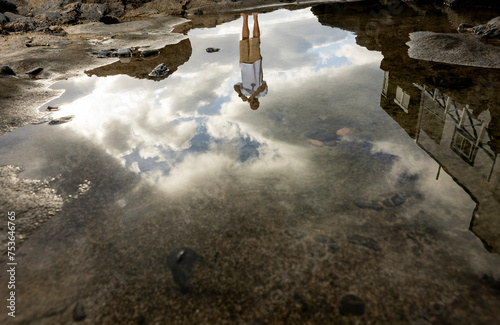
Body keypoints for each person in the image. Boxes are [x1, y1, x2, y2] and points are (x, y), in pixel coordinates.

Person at [234, 13, 268, 110]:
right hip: (256, 63)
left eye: (253, 105)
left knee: (244, 40)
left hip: (244, 63)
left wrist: (241, 95)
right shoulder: (262, 94)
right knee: (255, 40)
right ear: (258, 103)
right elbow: (263, 86)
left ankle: (245, 18)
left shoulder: (245, 93)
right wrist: (253, 96)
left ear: (250, 104)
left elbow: (235, 86)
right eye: (256, 105)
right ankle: (255, 17)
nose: (254, 104)